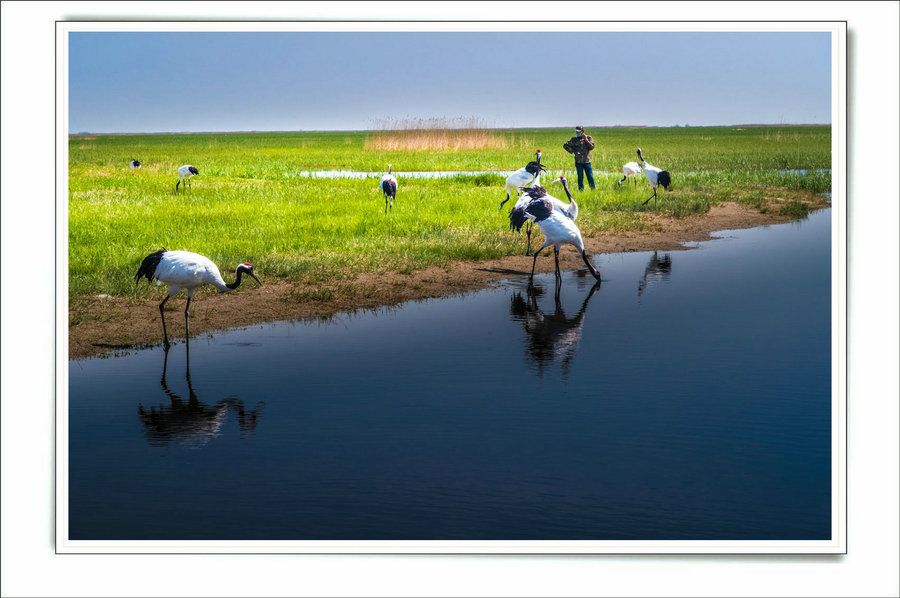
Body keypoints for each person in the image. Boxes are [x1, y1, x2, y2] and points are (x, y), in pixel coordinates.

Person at [562, 125, 596, 191]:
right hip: (578, 162)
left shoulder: (589, 138)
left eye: (578, 131)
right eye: (576, 131)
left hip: (587, 161)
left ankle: (593, 190)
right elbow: (565, 145)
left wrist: (586, 140)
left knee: (590, 177)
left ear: (582, 131)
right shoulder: (574, 140)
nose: (577, 133)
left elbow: (591, 147)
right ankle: (581, 191)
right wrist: (573, 151)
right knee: (580, 177)